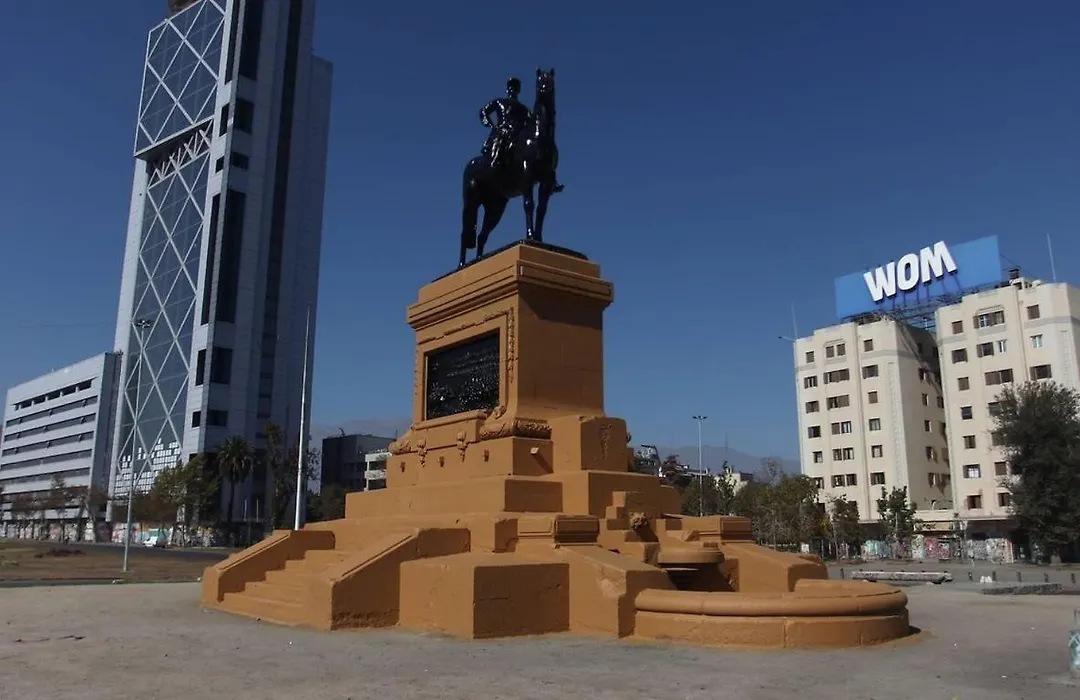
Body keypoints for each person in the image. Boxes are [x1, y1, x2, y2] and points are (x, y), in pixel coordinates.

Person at [479, 77, 533, 172]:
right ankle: (495, 162)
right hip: (502, 131)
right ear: (507, 89)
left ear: (518, 90)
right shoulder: (499, 102)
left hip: (517, 134)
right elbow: (484, 111)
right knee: (501, 139)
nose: (512, 89)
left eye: (515, 87)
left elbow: (530, 122)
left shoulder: (523, 109)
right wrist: (491, 125)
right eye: (511, 87)